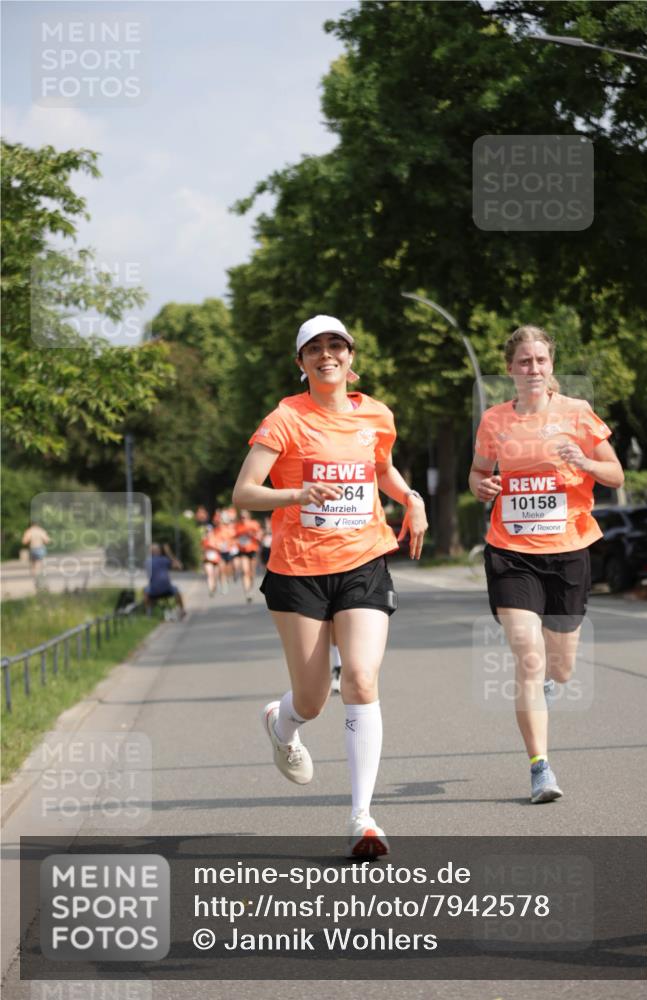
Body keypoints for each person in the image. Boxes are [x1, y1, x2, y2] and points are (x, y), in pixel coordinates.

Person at [233, 314, 427, 857]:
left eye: (336, 346)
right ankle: (283, 722)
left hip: (364, 559)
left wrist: (410, 497)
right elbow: (244, 493)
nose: (327, 355)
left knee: (362, 678)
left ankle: (362, 817)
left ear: (350, 356)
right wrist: (295, 495)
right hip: (298, 569)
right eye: (314, 348)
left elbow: (380, 468)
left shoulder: (376, 415)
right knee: (315, 699)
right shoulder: (285, 420)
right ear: (302, 363)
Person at [469, 325, 624, 804]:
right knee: (528, 656)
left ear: (550, 365)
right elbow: (477, 473)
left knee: (561, 667)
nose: (532, 368)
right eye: (523, 361)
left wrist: (585, 461)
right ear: (510, 368)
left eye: (540, 360)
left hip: (568, 549)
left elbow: (614, 473)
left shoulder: (577, 414)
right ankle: (540, 767)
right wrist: (483, 486)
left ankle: (551, 687)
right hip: (511, 552)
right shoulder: (495, 420)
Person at [143, 543, 186, 618]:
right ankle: (182, 610)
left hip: (157, 590)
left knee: (145, 591)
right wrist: (169, 553)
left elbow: (179, 567)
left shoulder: (149, 561)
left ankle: (149, 613)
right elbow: (179, 566)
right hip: (164, 589)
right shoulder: (163, 560)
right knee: (177, 591)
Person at [233, 508, 263, 602]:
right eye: (241, 517)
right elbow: (233, 537)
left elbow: (259, 536)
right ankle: (247, 592)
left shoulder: (254, 524)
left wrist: (252, 535)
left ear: (248, 516)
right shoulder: (237, 526)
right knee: (245, 571)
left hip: (253, 550)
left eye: (244, 517)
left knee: (251, 573)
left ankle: (251, 588)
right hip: (242, 551)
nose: (243, 519)